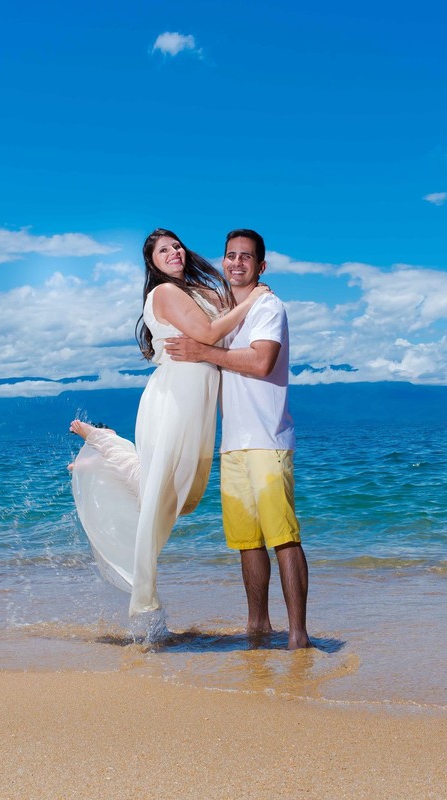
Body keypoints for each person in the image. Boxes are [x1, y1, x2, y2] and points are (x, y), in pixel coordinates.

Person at [69, 228, 268, 621]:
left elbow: (226, 304)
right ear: (153, 262)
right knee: (159, 491)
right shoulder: (163, 293)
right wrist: (255, 299)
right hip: (176, 396)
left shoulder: (193, 291)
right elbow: (209, 332)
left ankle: (105, 451)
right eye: (164, 250)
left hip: (197, 398)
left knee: (179, 493)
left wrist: (247, 289)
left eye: (177, 246)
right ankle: (143, 601)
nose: (174, 252)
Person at [165, 229, 310, 650]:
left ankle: (298, 636)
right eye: (230, 255)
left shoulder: (268, 306)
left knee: (283, 537)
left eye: (246, 256)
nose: (237, 262)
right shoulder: (223, 312)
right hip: (232, 443)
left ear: (260, 266)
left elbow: (262, 362)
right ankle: (258, 627)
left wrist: (203, 353)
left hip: (267, 438)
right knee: (247, 543)